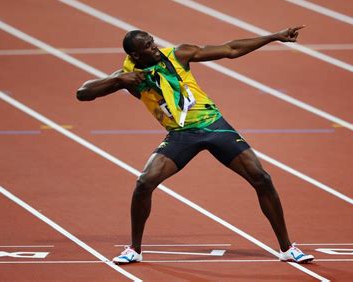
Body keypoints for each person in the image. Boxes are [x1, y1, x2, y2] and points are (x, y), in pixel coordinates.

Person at [76, 26, 314, 265]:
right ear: (136, 55)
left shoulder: (179, 54)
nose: (155, 47)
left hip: (215, 126)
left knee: (261, 178)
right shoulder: (128, 77)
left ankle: (287, 248)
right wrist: (118, 79)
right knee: (144, 183)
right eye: (148, 46)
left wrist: (273, 37)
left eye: (152, 41)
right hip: (181, 135)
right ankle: (134, 250)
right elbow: (83, 93)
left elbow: (230, 49)